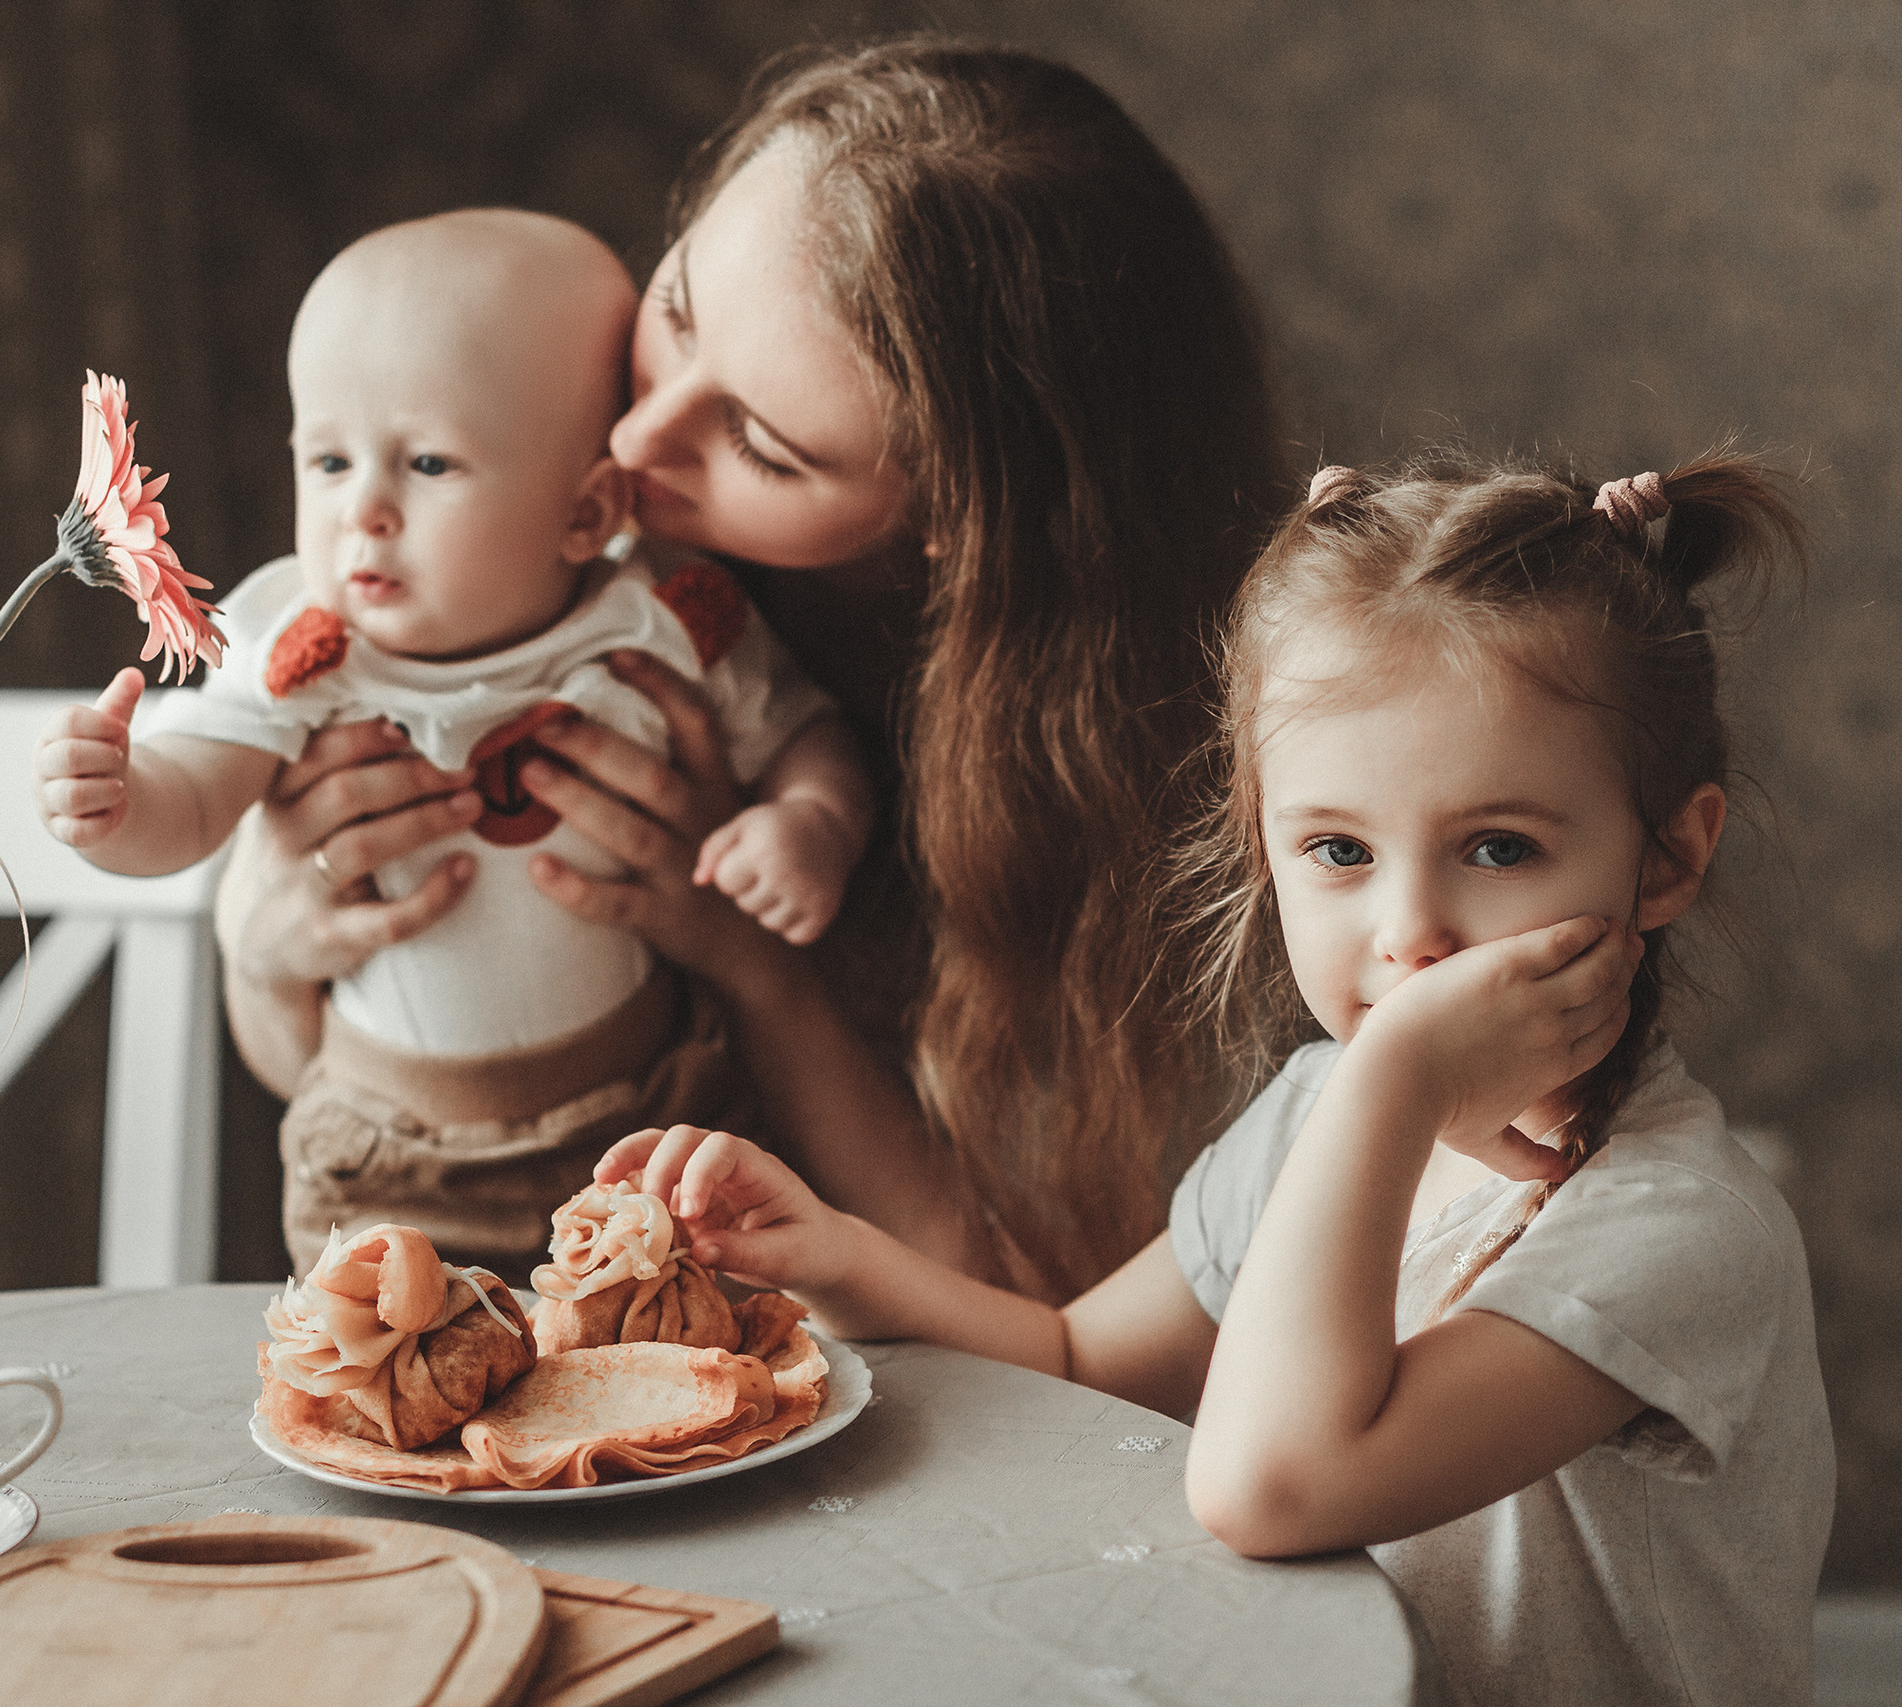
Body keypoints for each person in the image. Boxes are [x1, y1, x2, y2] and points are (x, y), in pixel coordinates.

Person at [601, 453, 1832, 1707]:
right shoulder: (1327, 1105)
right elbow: (1078, 1366)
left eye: (1498, 848)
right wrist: (837, 1258)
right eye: (1339, 849)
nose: (1408, 928)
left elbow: (1271, 1488)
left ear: (1668, 858)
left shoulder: (1673, 1229)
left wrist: (1390, 1088)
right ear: (1264, 843)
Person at [211, 40, 1286, 1301]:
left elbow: (1031, 1304)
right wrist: (266, 936)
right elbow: (344, 1078)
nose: (632, 438)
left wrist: (750, 959)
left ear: (960, 519)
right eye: (675, 312)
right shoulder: (510, 523)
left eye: (762, 448)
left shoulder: (1159, 766)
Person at [33, 207, 872, 1274]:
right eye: (329, 462)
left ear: (584, 514)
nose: (363, 512)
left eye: (427, 464)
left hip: (654, 1126)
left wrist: (810, 825)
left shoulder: (661, 622)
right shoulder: (307, 641)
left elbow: (807, 736)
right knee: (389, 1387)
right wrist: (116, 803)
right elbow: (194, 801)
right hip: (392, 1156)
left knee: (660, 1385)